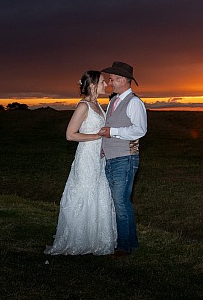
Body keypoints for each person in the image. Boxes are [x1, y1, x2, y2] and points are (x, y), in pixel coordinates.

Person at [45, 71, 117, 255]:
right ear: (92, 85)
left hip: (98, 157)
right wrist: (96, 136)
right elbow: (70, 134)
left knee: (98, 191)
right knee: (84, 191)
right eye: (102, 82)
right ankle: (78, 238)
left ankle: (96, 238)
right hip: (86, 156)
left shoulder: (97, 104)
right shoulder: (83, 106)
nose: (105, 85)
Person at [98, 61, 147, 258]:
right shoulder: (113, 101)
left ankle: (124, 246)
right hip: (111, 157)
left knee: (120, 202)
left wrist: (113, 132)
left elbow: (140, 130)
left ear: (123, 80)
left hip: (125, 159)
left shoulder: (135, 102)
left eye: (112, 79)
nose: (110, 82)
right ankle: (130, 242)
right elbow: (109, 125)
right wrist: (103, 147)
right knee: (121, 202)